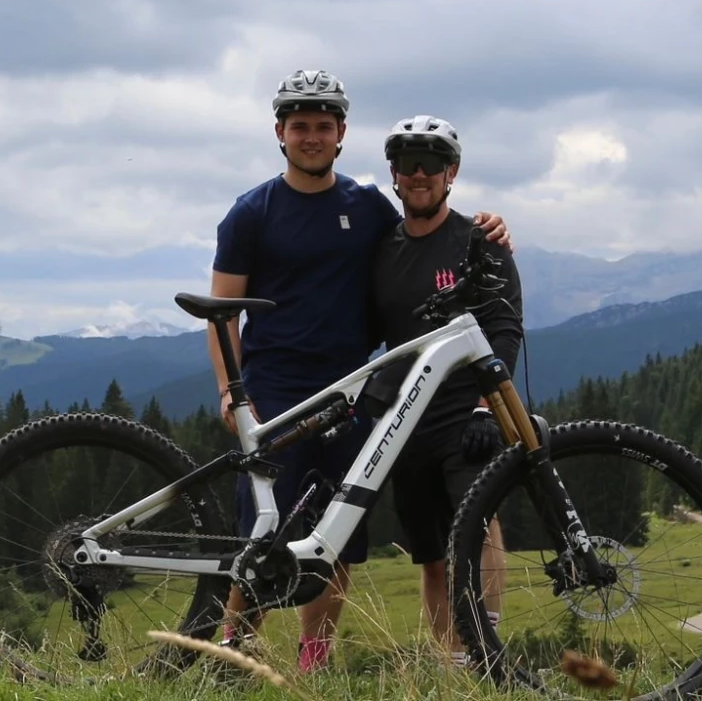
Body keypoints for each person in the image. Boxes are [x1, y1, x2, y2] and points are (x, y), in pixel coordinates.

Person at [208, 70, 508, 673]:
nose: (312, 137)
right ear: (280, 133)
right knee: (262, 535)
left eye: (324, 126)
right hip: (275, 388)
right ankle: (226, 655)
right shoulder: (251, 213)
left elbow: (424, 237)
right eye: (300, 127)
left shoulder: (367, 206)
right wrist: (229, 392)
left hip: (351, 393)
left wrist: (489, 233)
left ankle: (312, 662)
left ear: (342, 134)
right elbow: (222, 314)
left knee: (338, 534)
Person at [367, 115, 524, 659]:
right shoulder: (382, 248)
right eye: (407, 163)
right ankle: (452, 665)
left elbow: (505, 328)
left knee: (479, 526)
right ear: (394, 173)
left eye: (430, 163)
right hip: (405, 417)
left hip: (467, 410)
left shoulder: (479, 240)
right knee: (430, 552)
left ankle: (487, 650)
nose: (418, 174)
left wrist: (488, 404)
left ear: (450, 172)